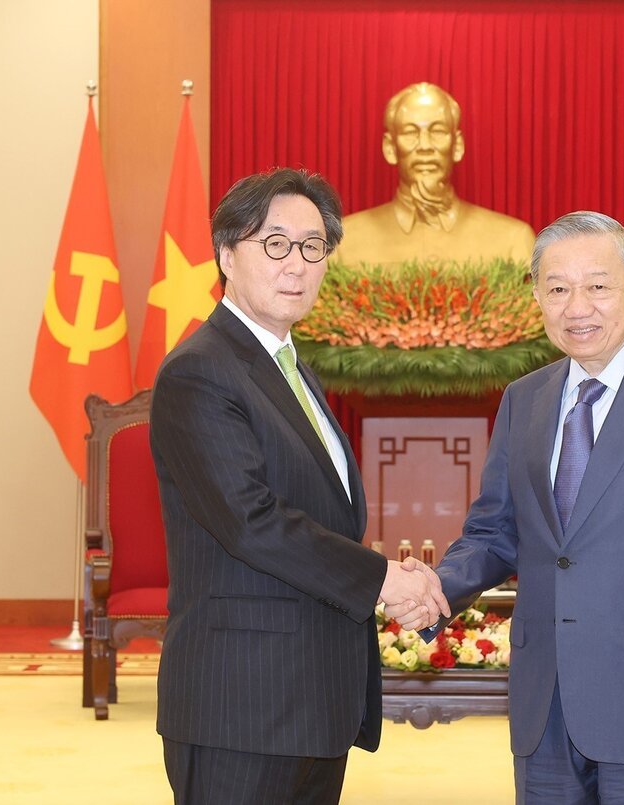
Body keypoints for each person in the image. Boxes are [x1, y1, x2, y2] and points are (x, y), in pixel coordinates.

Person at [398, 211, 624, 803]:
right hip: (545, 711)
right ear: (537, 296)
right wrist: (437, 585)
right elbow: (496, 532)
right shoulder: (525, 399)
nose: (576, 307)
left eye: (597, 285)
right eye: (557, 289)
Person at [150, 167, 448, 804]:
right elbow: (249, 521)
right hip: (242, 703)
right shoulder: (201, 370)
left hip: (311, 698)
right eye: (275, 243)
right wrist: (385, 581)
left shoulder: (289, 366)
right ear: (228, 254)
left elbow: (320, 514)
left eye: (314, 247)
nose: (297, 264)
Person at [332, 81, 535, 269]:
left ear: (458, 145)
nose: (425, 146)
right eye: (410, 132)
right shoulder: (344, 241)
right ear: (390, 148)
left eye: (438, 131)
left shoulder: (512, 240)